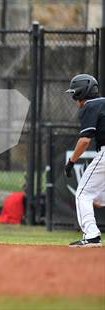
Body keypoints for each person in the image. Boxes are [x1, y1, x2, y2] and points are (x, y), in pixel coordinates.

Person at [64, 74, 105, 248]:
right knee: (97, 196)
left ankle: (92, 235)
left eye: (75, 93)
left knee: (83, 194)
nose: (75, 98)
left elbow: (84, 140)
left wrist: (71, 161)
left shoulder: (91, 105)